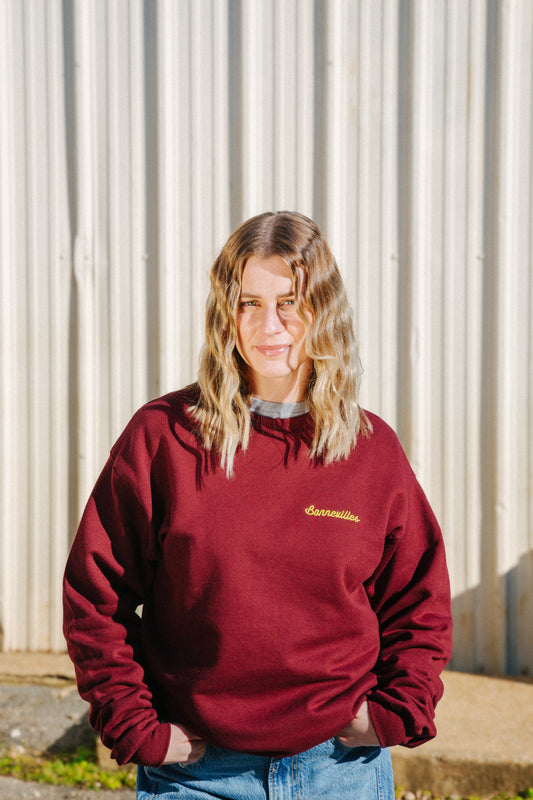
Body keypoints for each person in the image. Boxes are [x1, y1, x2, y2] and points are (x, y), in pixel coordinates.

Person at [63, 211, 453, 800]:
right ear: (226, 314)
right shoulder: (165, 438)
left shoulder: (370, 451)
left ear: (323, 310)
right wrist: (135, 726)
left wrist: (397, 710)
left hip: (338, 772)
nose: (268, 325)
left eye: (289, 301)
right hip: (196, 776)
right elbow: (96, 596)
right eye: (248, 303)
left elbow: (418, 598)